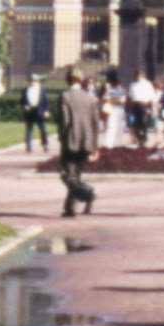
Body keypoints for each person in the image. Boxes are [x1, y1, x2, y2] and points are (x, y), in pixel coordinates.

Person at [54, 69, 101, 217]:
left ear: (68, 80)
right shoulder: (91, 98)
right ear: (81, 81)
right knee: (76, 175)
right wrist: (95, 145)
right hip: (87, 140)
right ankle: (70, 208)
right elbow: (95, 123)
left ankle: (88, 193)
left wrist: (61, 135)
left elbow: (65, 120)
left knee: (68, 175)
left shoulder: (65, 96)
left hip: (70, 139)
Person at [20, 73, 50, 154]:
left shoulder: (42, 90)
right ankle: (29, 146)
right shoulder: (25, 90)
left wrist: (46, 111)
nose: (33, 82)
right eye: (31, 81)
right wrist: (25, 106)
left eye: (35, 81)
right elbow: (22, 101)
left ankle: (45, 144)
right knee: (29, 129)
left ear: (38, 81)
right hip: (30, 112)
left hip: (39, 111)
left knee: (43, 129)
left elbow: (46, 102)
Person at [127, 70, 157, 148]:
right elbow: (130, 96)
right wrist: (129, 106)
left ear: (143, 76)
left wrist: (151, 107)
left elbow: (151, 96)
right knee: (136, 123)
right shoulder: (132, 85)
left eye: (140, 76)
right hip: (135, 104)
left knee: (144, 122)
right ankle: (139, 139)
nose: (138, 77)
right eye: (137, 76)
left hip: (144, 104)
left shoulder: (147, 84)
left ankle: (144, 139)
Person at [100, 70, 128, 149]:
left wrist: (112, 100)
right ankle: (108, 143)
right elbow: (105, 99)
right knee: (111, 125)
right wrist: (116, 100)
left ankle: (118, 143)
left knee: (120, 126)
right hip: (112, 110)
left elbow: (122, 100)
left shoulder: (123, 91)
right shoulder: (110, 90)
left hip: (120, 109)